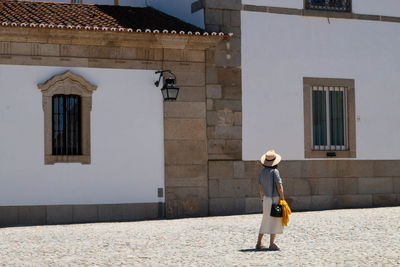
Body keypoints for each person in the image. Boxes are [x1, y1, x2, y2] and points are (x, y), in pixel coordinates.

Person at [255, 149, 285, 250]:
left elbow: (260, 188)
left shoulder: (261, 172)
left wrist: (262, 199)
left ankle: (258, 243)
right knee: (275, 220)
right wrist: (283, 199)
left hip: (266, 199)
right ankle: (272, 243)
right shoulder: (275, 172)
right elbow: (279, 187)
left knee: (265, 220)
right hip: (274, 199)